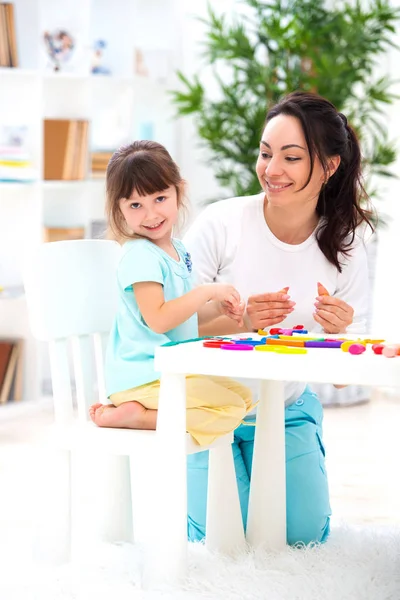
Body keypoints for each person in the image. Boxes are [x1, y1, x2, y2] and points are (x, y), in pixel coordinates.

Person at [183, 91, 373, 545]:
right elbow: (171, 328)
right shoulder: (221, 223)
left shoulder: (344, 245)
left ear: (328, 167)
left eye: (291, 157)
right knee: (220, 538)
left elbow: (350, 378)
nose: (272, 170)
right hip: (208, 409)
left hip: (286, 410)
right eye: (266, 154)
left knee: (302, 538)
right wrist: (241, 319)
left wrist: (340, 335)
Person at [89, 140, 253, 447]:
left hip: (170, 371)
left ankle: (142, 412)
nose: (151, 214)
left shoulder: (177, 250)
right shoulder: (140, 255)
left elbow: (183, 314)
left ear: (180, 192)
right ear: (120, 210)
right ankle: (135, 415)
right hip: (141, 375)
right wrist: (206, 291)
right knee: (231, 409)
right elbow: (160, 320)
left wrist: (218, 308)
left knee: (243, 398)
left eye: (160, 198)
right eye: (135, 205)